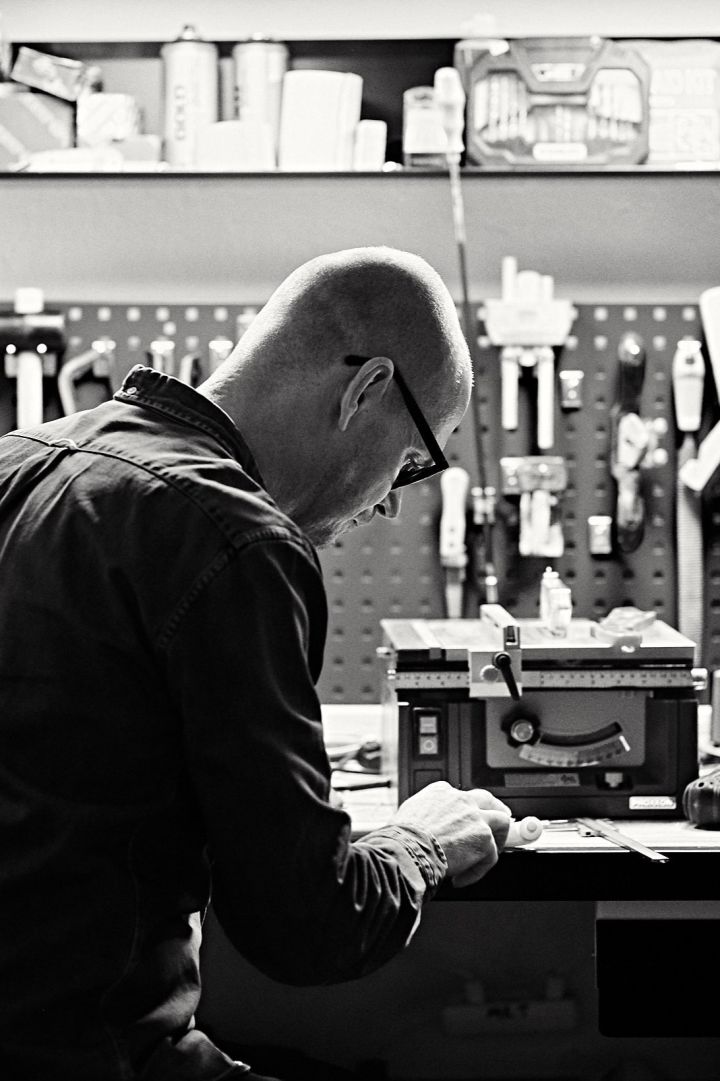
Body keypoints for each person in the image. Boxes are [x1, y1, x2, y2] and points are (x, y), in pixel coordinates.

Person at [0, 246, 513, 1081]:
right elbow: (309, 925)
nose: (389, 498)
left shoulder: (20, 458)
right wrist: (421, 842)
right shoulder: (236, 538)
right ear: (367, 389)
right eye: (415, 462)